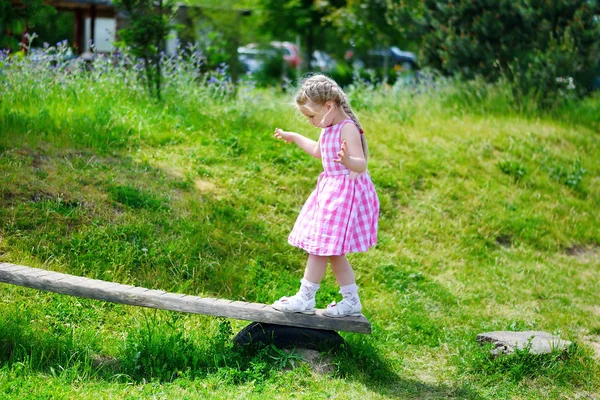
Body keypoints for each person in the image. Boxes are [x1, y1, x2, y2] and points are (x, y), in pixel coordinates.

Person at [271, 74, 379, 318]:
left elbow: (360, 164)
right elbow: (317, 151)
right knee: (329, 250)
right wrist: (294, 137)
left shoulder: (347, 127)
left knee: (321, 248)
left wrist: (348, 160)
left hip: (345, 194)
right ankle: (350, 301)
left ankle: (305, 298)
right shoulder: (328, 128)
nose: (310, 121)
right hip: (329, 193)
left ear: (329, 106)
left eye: (311, 115)